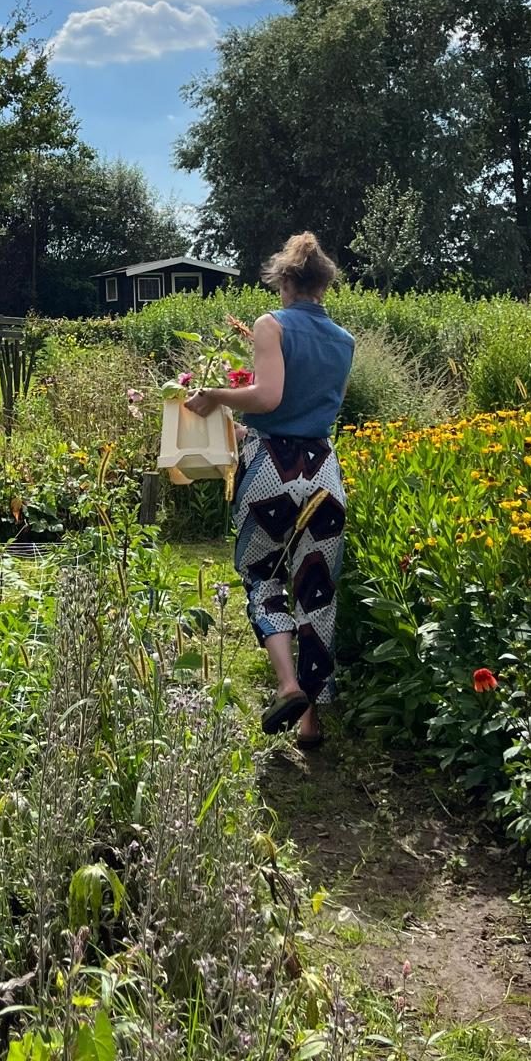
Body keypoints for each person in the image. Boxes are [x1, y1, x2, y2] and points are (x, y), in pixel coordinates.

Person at [183, 231, 354, 748]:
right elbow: (306, 410)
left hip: (272, 473)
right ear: (324, 285)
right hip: (323, 474)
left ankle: (286, 685)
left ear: (284, 281)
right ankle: (312, 720)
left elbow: (270, 396)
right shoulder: (344, 340)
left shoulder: (271, 324)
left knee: (263, 577)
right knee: (317, 592)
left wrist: (215, 396)